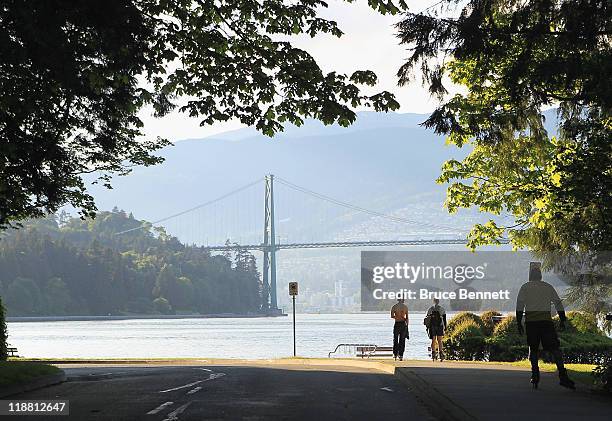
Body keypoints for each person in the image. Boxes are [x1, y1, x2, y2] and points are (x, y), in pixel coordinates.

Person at [516, 262, 575, 389]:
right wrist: (563, 319)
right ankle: (563, 376)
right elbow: (558, 303)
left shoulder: (525, 287)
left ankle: (535, 375)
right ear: (541, 276)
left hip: (531, 323)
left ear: (530, 276)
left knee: (533, 349)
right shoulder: (548, 287)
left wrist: (518, 322)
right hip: (546, 323)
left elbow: (519, 306)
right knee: (555, 349)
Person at [390, 297, 409, 361]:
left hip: (397, 323)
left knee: (395, 339)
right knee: (402, 340)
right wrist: (407, 326)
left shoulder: (394, 307)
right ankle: (401, 355)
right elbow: (407, 318)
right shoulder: (405, 307)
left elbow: (392, 316)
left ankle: (395, 354)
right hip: (403, 324)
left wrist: (397, 316)